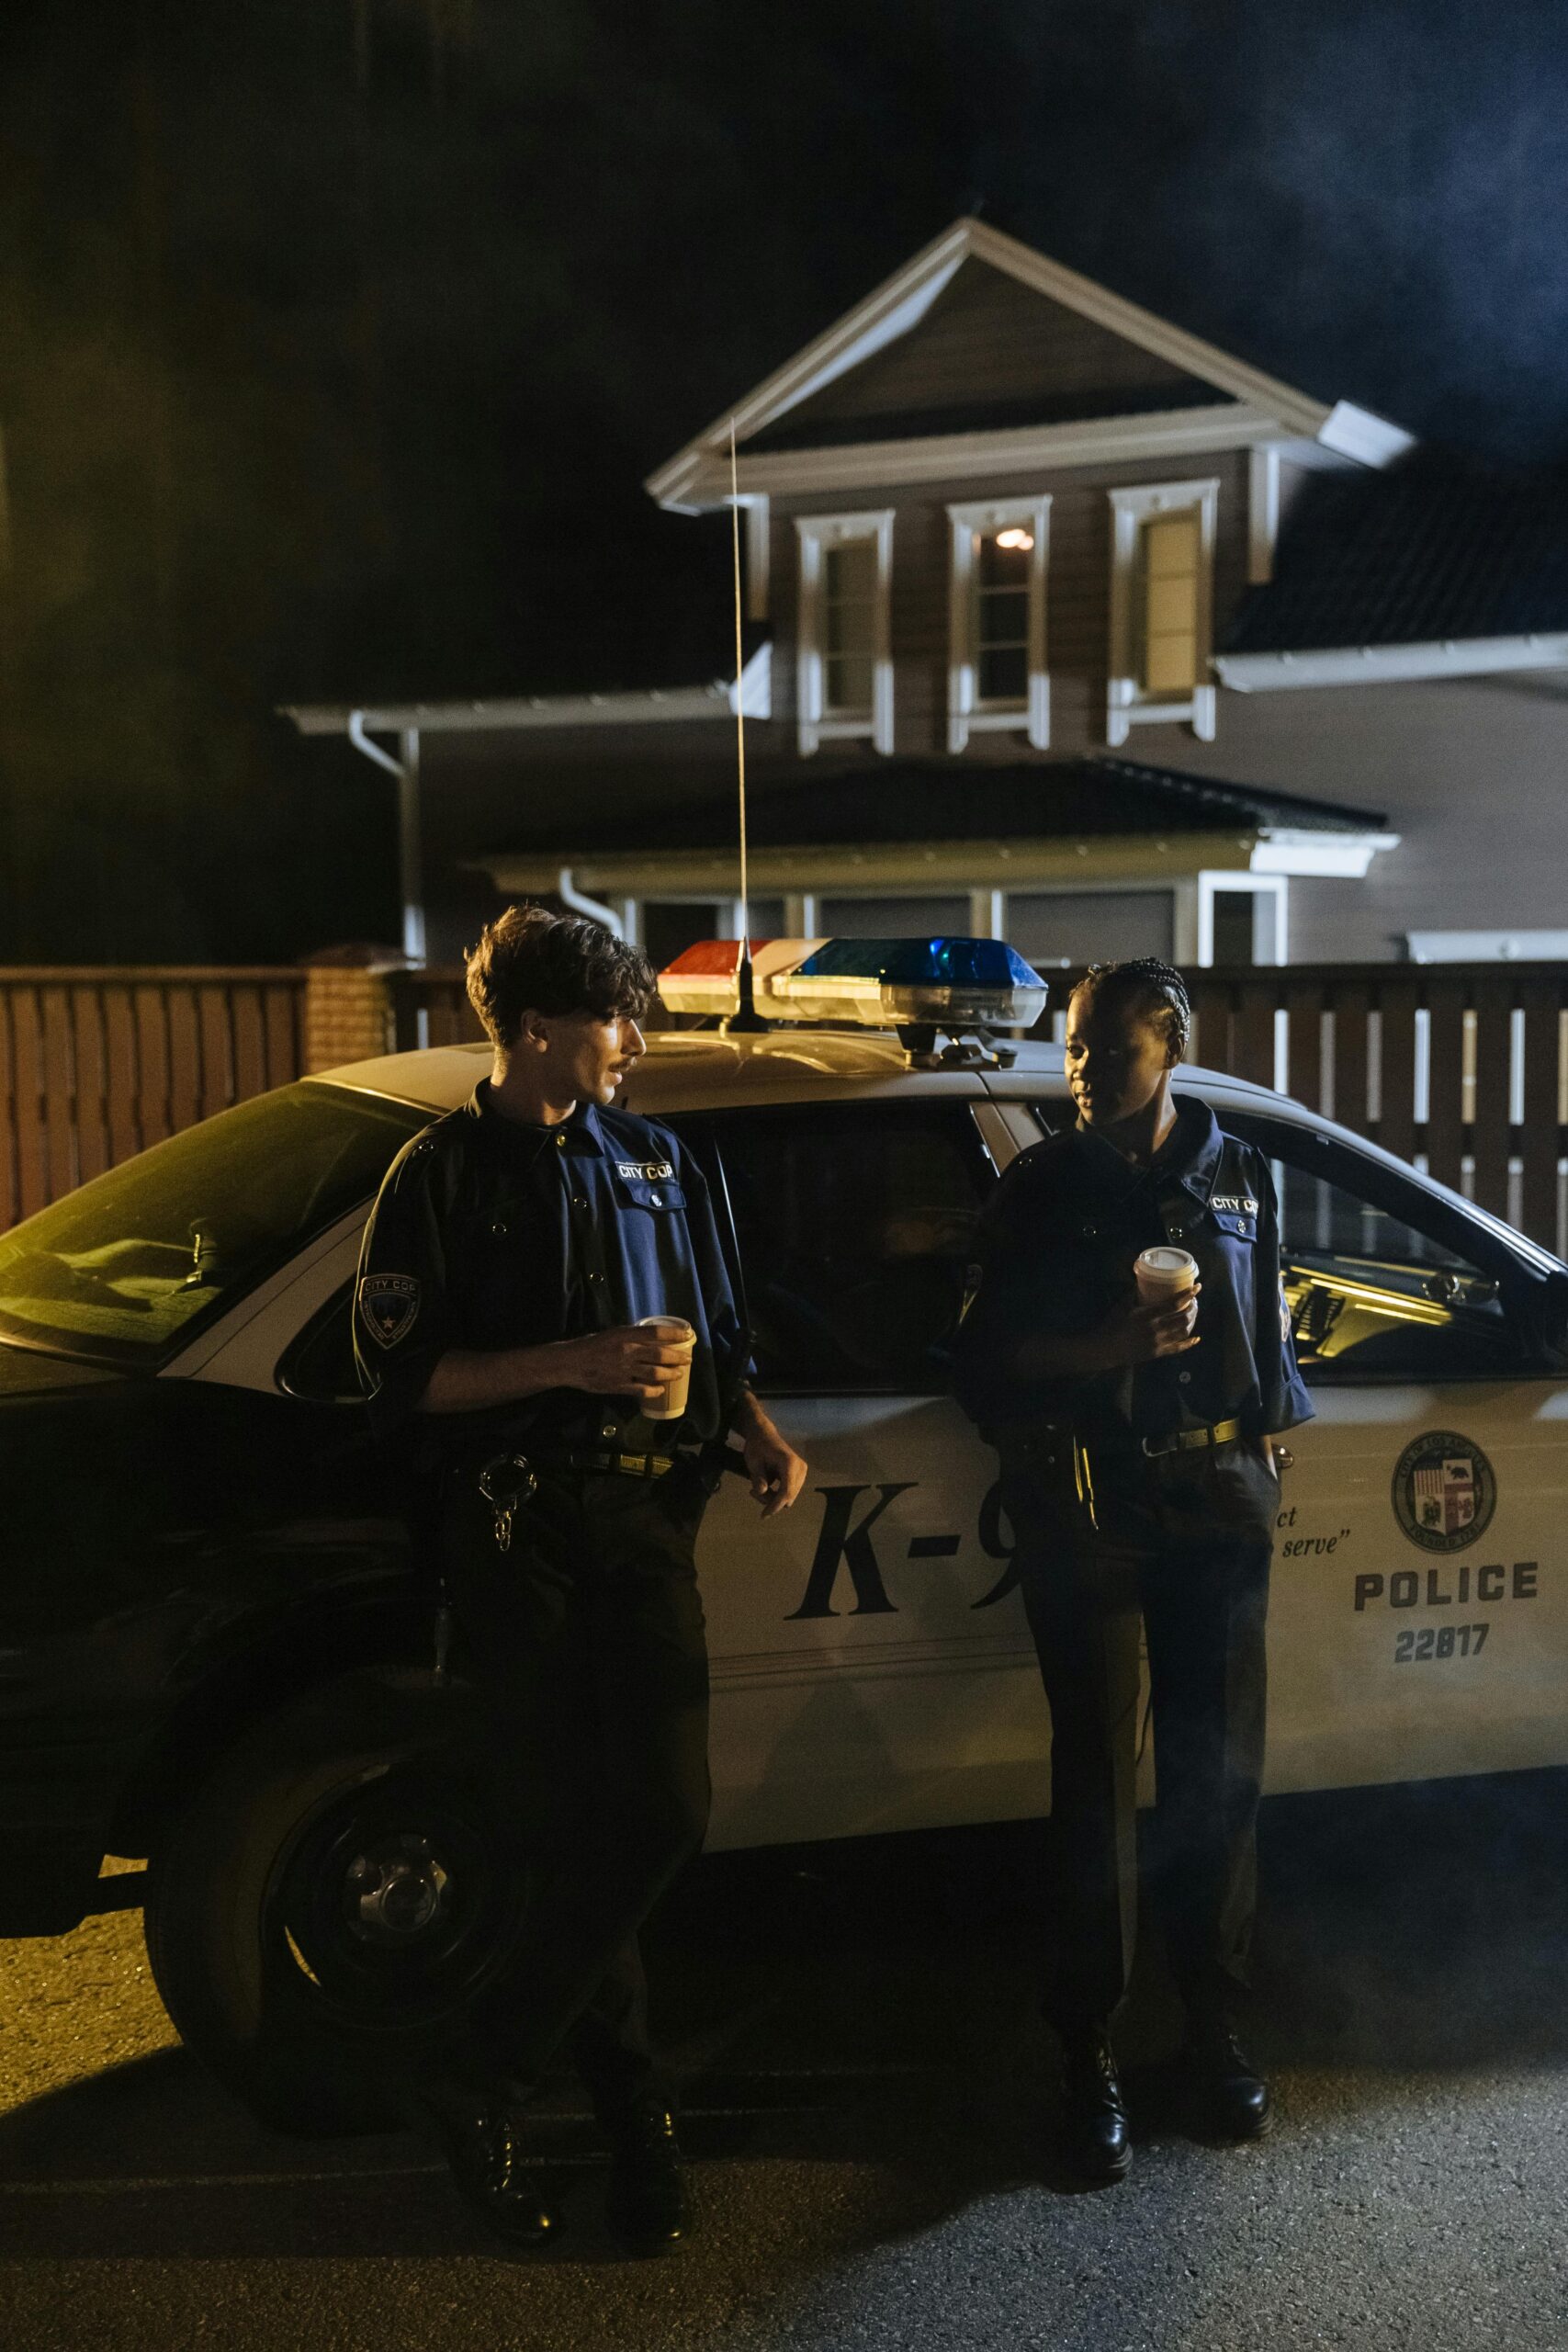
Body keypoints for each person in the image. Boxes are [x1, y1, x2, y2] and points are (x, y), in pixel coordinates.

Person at [354, 905, 807, 2252]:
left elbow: (717, 1338)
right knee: (568, 1830)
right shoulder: (437, 1175)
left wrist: (754, 1429)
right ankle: (638, 2129)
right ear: (540, 1031)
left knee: (664, 1812)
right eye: (617, 1018)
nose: (636, 1041)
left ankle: (482, 2076)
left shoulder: (663, 1161)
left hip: (643, 1533)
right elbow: (406, 1381)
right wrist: (579, 1365)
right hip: (519, 1534)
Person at [953, 957, 1313, 2185]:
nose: (1083, 1069)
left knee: (1219, 1768)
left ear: (1171, 1054)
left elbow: (1268, 1329)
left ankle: (1212, 2026)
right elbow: (983, 1368)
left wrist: (1266, 1434)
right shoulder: (1042, 1186)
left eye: (1109, 1051)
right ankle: (1088, 2051)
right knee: (1096, 1781)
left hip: (1215, 1498)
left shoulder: (1236, 1172)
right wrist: (1104, 1345)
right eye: (1075, 1047)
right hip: (1089, 1501)